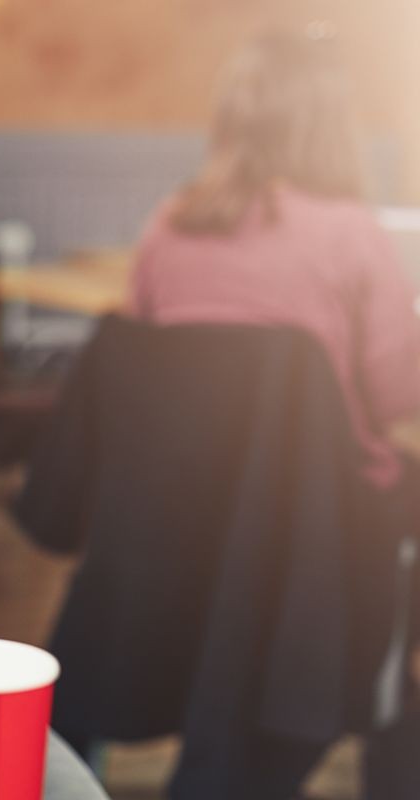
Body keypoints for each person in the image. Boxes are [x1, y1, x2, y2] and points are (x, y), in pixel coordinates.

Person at [128, 30, 420, 798]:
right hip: (324, 540)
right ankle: (390, 729)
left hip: (191, 533)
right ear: (331, 122)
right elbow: (397, 397)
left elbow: (145, 374)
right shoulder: (351, 233)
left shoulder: (170, 223)